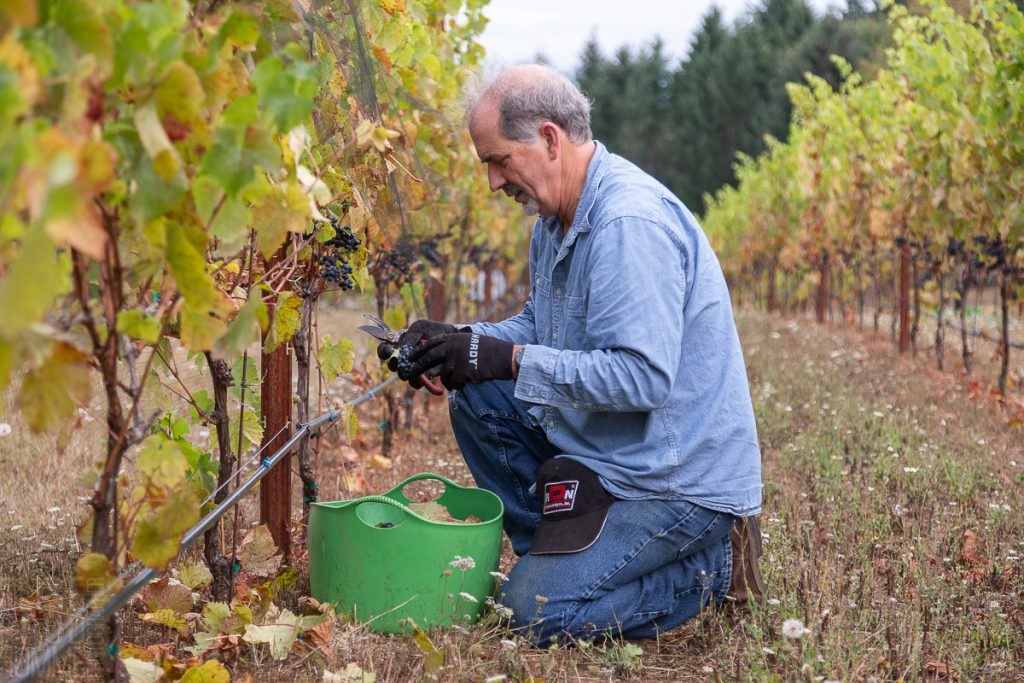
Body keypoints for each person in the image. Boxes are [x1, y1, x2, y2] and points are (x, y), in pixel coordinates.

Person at [388, 64, 764, 644]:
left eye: (497, 159)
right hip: (610, 455)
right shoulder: (556, 220)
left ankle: (708, 572)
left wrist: (506, 360)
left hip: (671, 483)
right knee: (478, 394)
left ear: (548, 139)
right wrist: (459, 343)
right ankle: (563, 557)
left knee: (529, 615)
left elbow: (642, 378)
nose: (492, 182)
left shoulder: (626, 222)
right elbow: (542, 325)